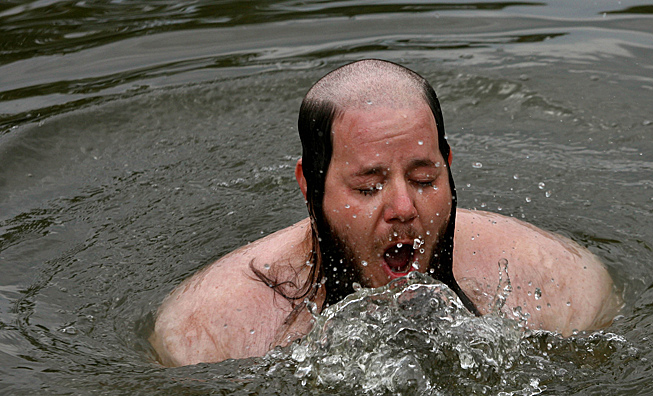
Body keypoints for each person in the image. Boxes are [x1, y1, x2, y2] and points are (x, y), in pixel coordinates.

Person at [149, 59, 620, 367]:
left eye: (423, 180)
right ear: (308, 186)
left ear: (449, 167)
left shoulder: (554, 283)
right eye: (368, 186)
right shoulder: (212, 333)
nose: (402, 209)